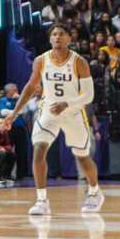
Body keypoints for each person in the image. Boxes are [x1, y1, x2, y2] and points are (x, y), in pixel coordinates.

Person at [14, 26, 102, 217]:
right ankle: (41, 200)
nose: (57, 37)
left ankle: (95, 192)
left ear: (70, 38)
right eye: (54, 34)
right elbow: (31, 86)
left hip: (73, 111)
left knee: (82, 157)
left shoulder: (79, 62)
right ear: (50, 39)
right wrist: (14, 113)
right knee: (39, 149)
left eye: (62, 34)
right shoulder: (41, 60)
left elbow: (89, 95)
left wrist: (67, 103)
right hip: (49, 110)